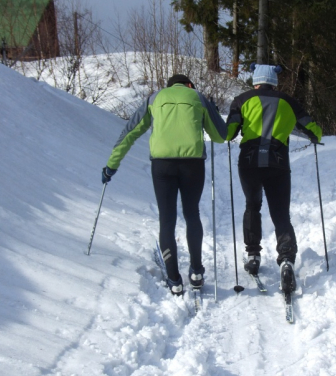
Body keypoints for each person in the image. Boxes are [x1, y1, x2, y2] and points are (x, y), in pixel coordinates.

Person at [102, 74, 227, 296]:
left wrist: (112, 165)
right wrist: (214, 112)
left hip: (162, 166)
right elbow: (220, 136)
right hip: (193, 165)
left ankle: (174, 279)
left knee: (167, 219)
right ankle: (196, 272)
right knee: (192, 214)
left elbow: (130, 132)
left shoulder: (154, 98)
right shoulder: (197, 97)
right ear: (189, 85)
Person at [226, 64, 322, 293]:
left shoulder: (241, 100)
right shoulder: (288, 102)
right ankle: (287, 258)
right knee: (280, 214)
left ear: (255, 80)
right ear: (274, 81)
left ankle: (253, 255)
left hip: (249, 164)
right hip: (278, 164)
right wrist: (316, 136)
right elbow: (314, 131)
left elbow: (228, 133)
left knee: (252, 206)